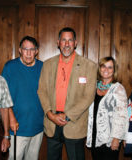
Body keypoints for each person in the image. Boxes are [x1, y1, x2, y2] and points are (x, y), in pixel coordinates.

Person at [38, 27, 97, 160]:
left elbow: (88, 97)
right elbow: (42, 90)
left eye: (70, 40)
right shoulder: (47, 65)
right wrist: (49, 114)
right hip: (52, 123)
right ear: (58, 42)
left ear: (75, 43)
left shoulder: (89, 66)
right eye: (63, 40)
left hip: (74, 125)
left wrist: (68, 116)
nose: (66, 44)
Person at [2, 36, 44, 160]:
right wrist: (11, 118)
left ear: (36, 51)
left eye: (32, 49)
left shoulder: (43, 67)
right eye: (25, 49)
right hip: (17, 127)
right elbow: (3, 96)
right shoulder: (10, 67)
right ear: (20, 50)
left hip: (38, 126)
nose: (29, 53)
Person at [86, 56, 128, 160]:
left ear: (114, 71)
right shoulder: (94, 86)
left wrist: (116, 138)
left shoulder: (118, 88)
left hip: (110, 138)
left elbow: (122, 116)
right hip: (95, 135)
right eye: (103, 66)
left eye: (110, 67)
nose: (106, 70)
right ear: (99, 68)